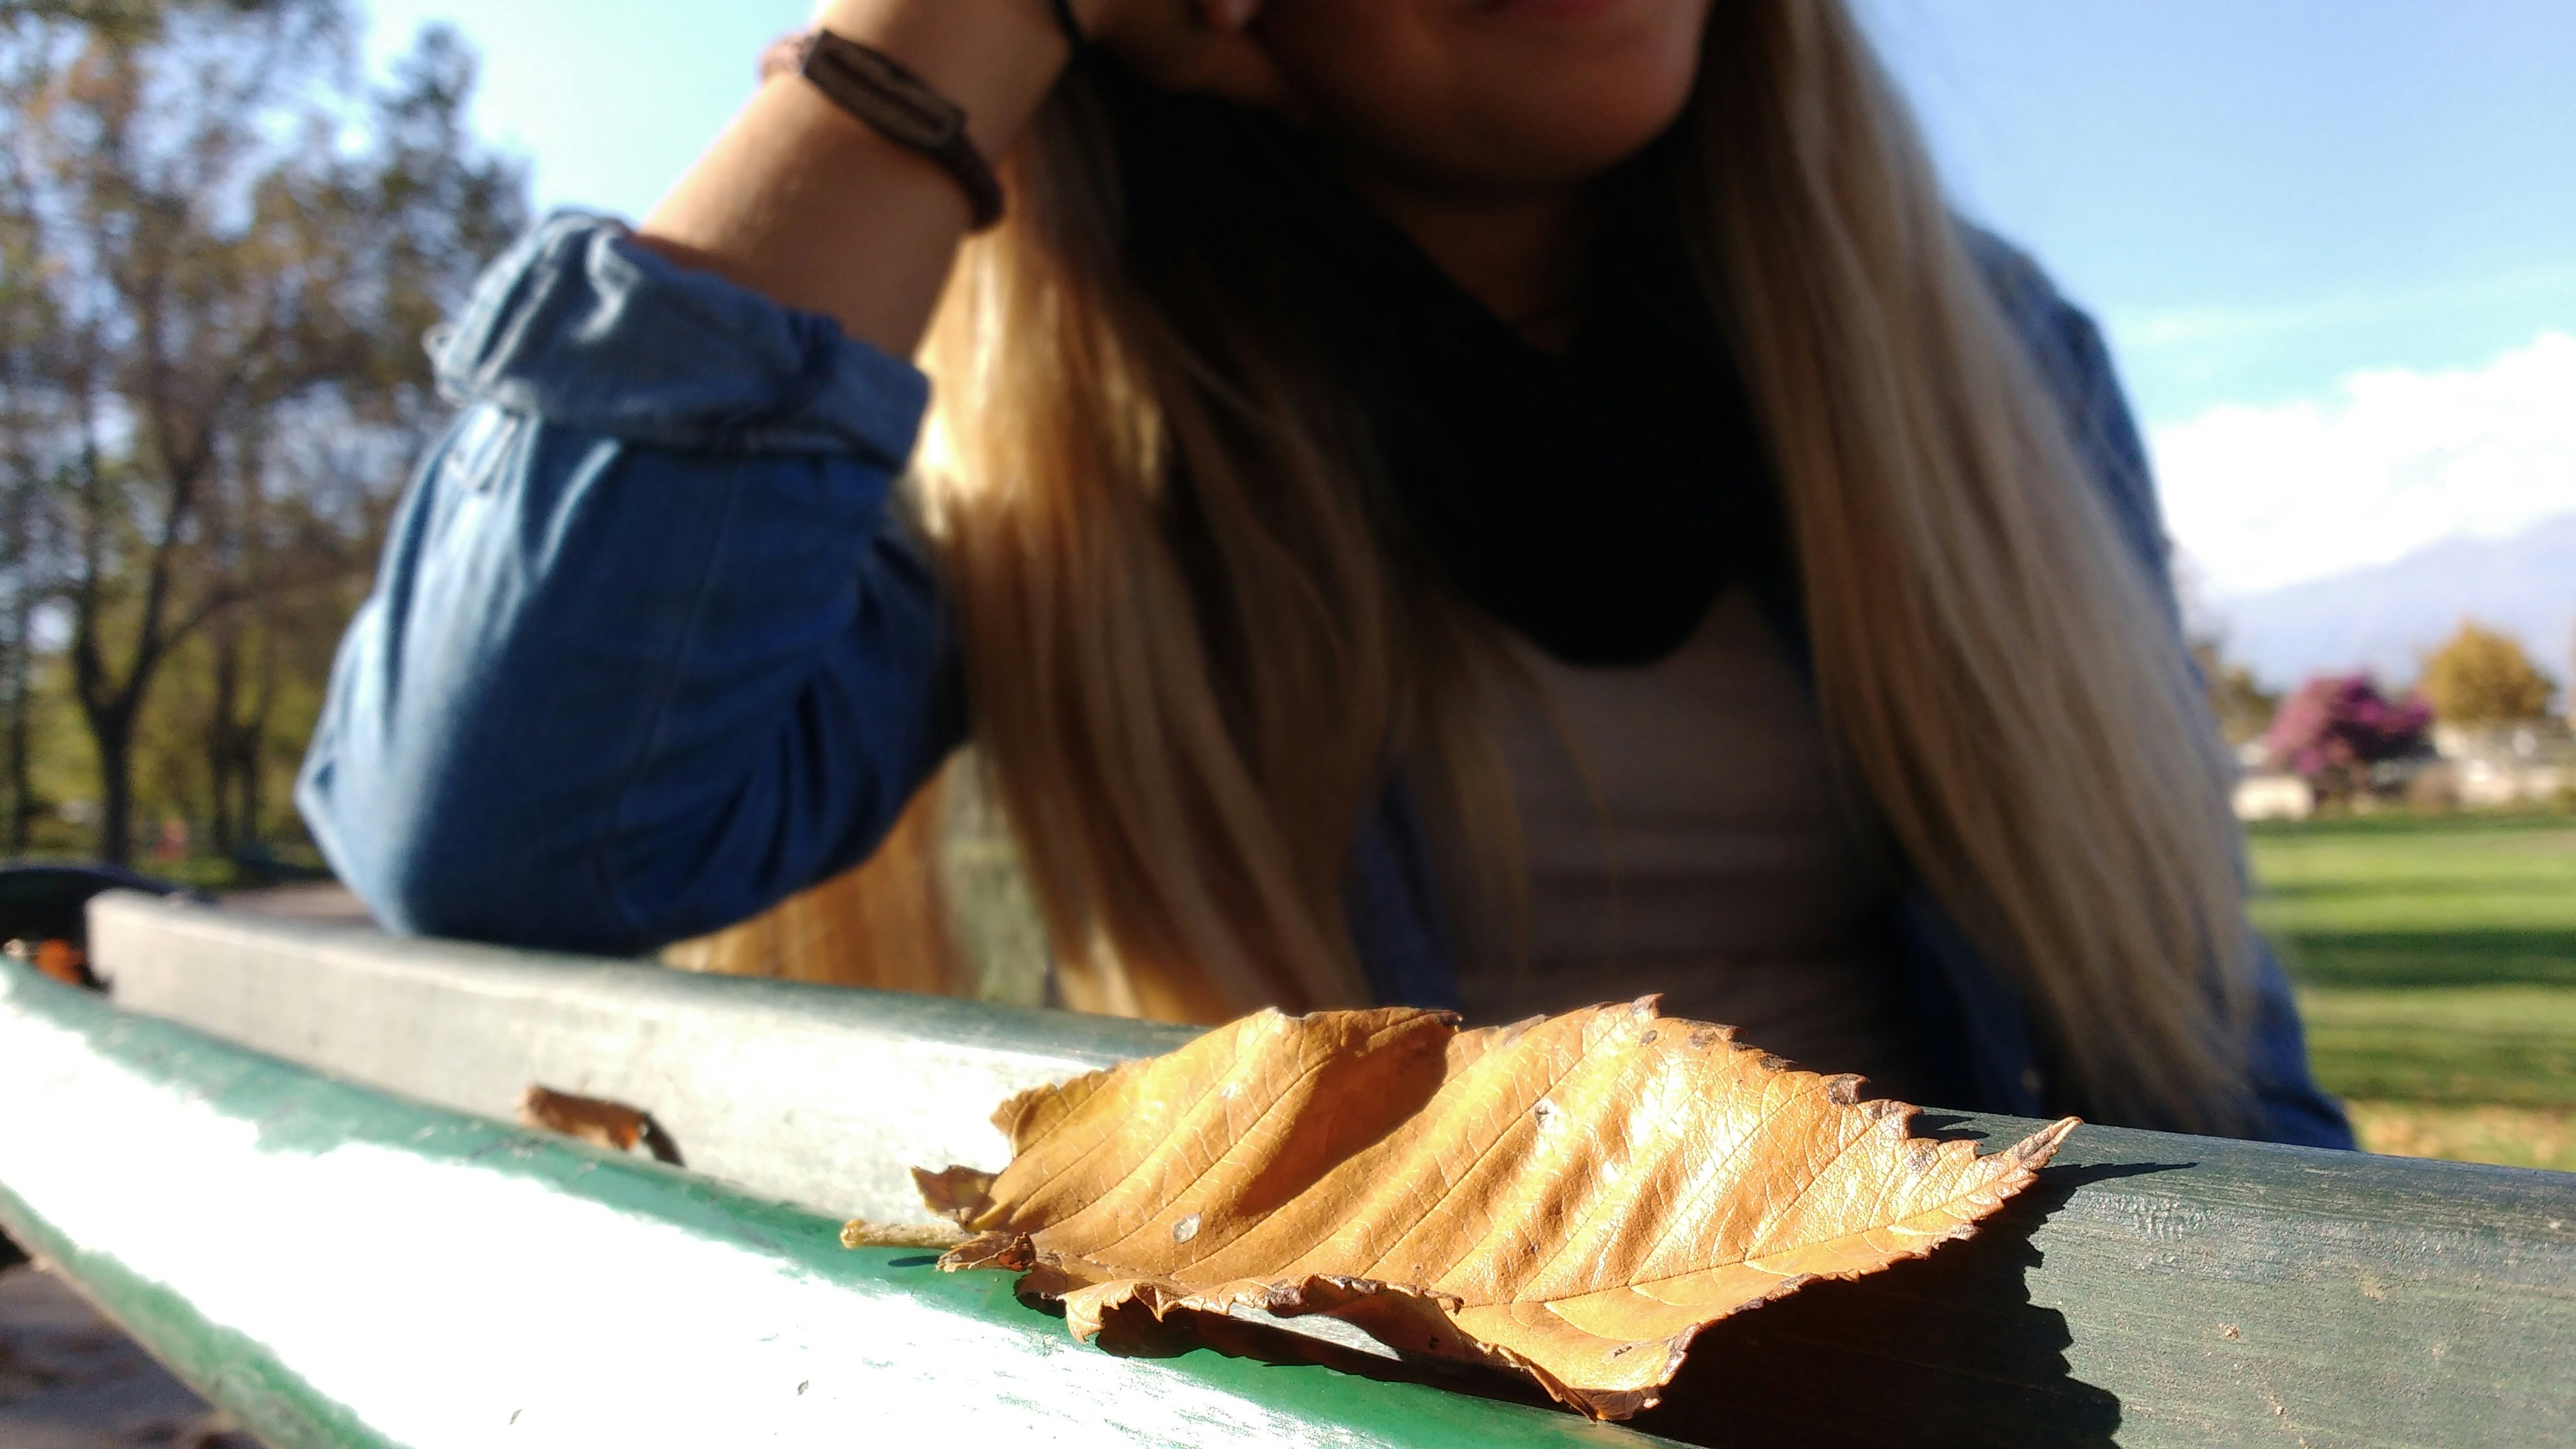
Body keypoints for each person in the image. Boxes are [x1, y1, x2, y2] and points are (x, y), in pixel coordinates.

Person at [296, 0, 2354, 1146]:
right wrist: (934, 41)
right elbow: (513, 832)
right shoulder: (1031, 457)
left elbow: (2206, 1075)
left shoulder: (1994, 364)